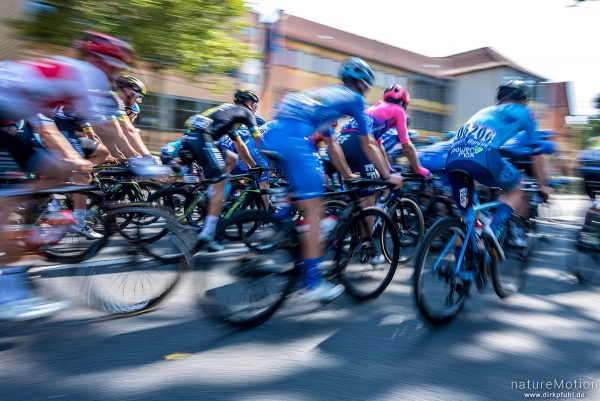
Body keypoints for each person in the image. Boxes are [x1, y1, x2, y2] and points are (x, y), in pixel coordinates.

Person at [264, 57, 403, 303]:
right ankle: (312, 283)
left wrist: (348, 174)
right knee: (315, 208)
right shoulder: (355, 100)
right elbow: (368, 143)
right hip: (295, 139)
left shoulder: (326, 99)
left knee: (302, 196)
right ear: (363, 84)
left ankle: (279, 230)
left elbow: (332, 146)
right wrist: (388, 175)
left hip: (274, 135)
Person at [445, 80, 549, 253]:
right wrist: (543, 184)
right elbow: (536, 154)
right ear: (523, 100)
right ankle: (493, 230)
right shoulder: (525, 112)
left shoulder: (484, 111)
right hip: (483, 156)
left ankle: (461, 273)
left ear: (500, 100)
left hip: (453, 158)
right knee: (517, 188)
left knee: (467, 220)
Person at [182, 89, 263, 251]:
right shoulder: (246, 113)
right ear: (248, 102)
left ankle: (211, 194)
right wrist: (274, 157)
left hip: (191, 137)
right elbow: (259, 139)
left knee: (232, 158)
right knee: (220, 182)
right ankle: (209, 233)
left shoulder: (229, 113)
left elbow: (240, 146)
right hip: (201, 139)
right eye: (254, 103)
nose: (255, 107)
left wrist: (252, 165)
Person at [337, 84, 430, 204]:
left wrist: (388, 168)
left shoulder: (376, 108)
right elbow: (407, 147)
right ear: (403, 104)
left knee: (373, 177)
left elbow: (379, 146)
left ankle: (345, 212)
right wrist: (418, 168)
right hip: (357, 142)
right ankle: (370, 216)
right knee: (368, 198)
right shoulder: (398, 110)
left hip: (341, 140)